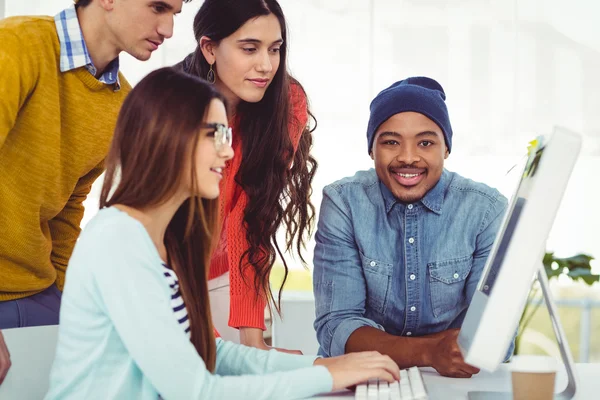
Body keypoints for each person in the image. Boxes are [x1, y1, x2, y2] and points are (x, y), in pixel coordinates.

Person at [45, 67, 400, 399]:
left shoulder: (165, 240)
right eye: (215, 135)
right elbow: (196, 391)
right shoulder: (118, 240)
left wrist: (320, 365)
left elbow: (211, 353)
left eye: (227, 135)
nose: (228, 151)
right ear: (168, 136)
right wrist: (327, 378)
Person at [0, 0, 187, 377]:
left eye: (174, 15)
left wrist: (73, 303)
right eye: (157, 8)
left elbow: (68, 211)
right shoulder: (18, 45)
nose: (167, 29)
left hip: (41, 295)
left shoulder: (123, 104)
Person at [313, 77, 514, 378]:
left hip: (454, 381)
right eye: (391, 142)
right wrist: (429, 351)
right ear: (371, 149)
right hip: (361, 379)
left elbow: (492, 337)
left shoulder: (485, 209)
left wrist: (422, 350)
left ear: (446, 148)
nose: (408, 158)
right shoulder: (344, 203)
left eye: (425, 142)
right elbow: (337, 328)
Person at [175, 0, 317, 351]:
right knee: (209, 366)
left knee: (252, 368)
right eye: (249, 48)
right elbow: (170, 234)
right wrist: (215, 345)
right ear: (209, 48)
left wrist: (255, 344)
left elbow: (252, 216)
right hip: (167, 274)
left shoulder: (287, 102)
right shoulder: (173, 108)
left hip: (227, 270)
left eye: (275, 49)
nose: (266, 66)